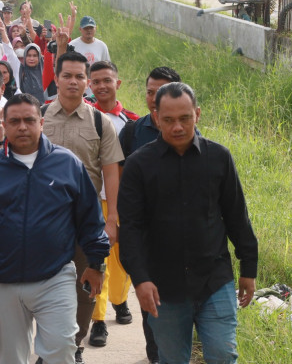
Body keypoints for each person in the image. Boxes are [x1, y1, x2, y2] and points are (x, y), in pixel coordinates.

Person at [0, 93, 110, 364]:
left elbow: (90, 219)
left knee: (61, 350)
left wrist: (96, 263)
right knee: (11, 358)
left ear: (41, 123)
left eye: (29, 120)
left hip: (55, 277)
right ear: (4, 125)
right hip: (3, 282)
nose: (22, 126)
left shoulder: (67, 164)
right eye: (15, 121)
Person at [118, 82, 258, 364]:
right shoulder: (138, 165)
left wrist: (248, 268)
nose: (177, 127)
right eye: (168, 120)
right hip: (163, 288)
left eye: (185, 118)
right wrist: (140, 279)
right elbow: (131, 229)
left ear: (197, 114)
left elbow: (236, 216)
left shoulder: (218, 158)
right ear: (156, 118)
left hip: (214, 280)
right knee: (172, 359)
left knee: (223, 354)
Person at [41, 51, 124, 362]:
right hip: (42, 219)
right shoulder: (38, 115)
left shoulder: (101, 122)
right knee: (41, 285)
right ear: (57, 79)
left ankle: (74, 344)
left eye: (79, 76)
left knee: (87, 284)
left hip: (86, 219)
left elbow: (111, 170)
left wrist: (111, 217)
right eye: (67, 75)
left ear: (86, 82)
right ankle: (49, 347)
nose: (73, 81)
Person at [116, 65, 182, 363]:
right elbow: (117, 178)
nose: (154, 98)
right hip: (144, 236)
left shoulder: (188, 133)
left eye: (162, 92)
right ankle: (155, 355)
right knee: (149, 303)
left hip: (180, 238)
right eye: (150, 92)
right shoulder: (131, 131)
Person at [85, 61, 139, 348]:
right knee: (99, 261)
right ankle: (98, 320)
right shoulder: (85, 118)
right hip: (93, 203)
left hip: (124, 203)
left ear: (118, 84)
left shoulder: (131, 123)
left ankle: (119, 300)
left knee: (122, 261)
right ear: (89, 85)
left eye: (107, 80)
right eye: (96, 81)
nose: (102, 85)